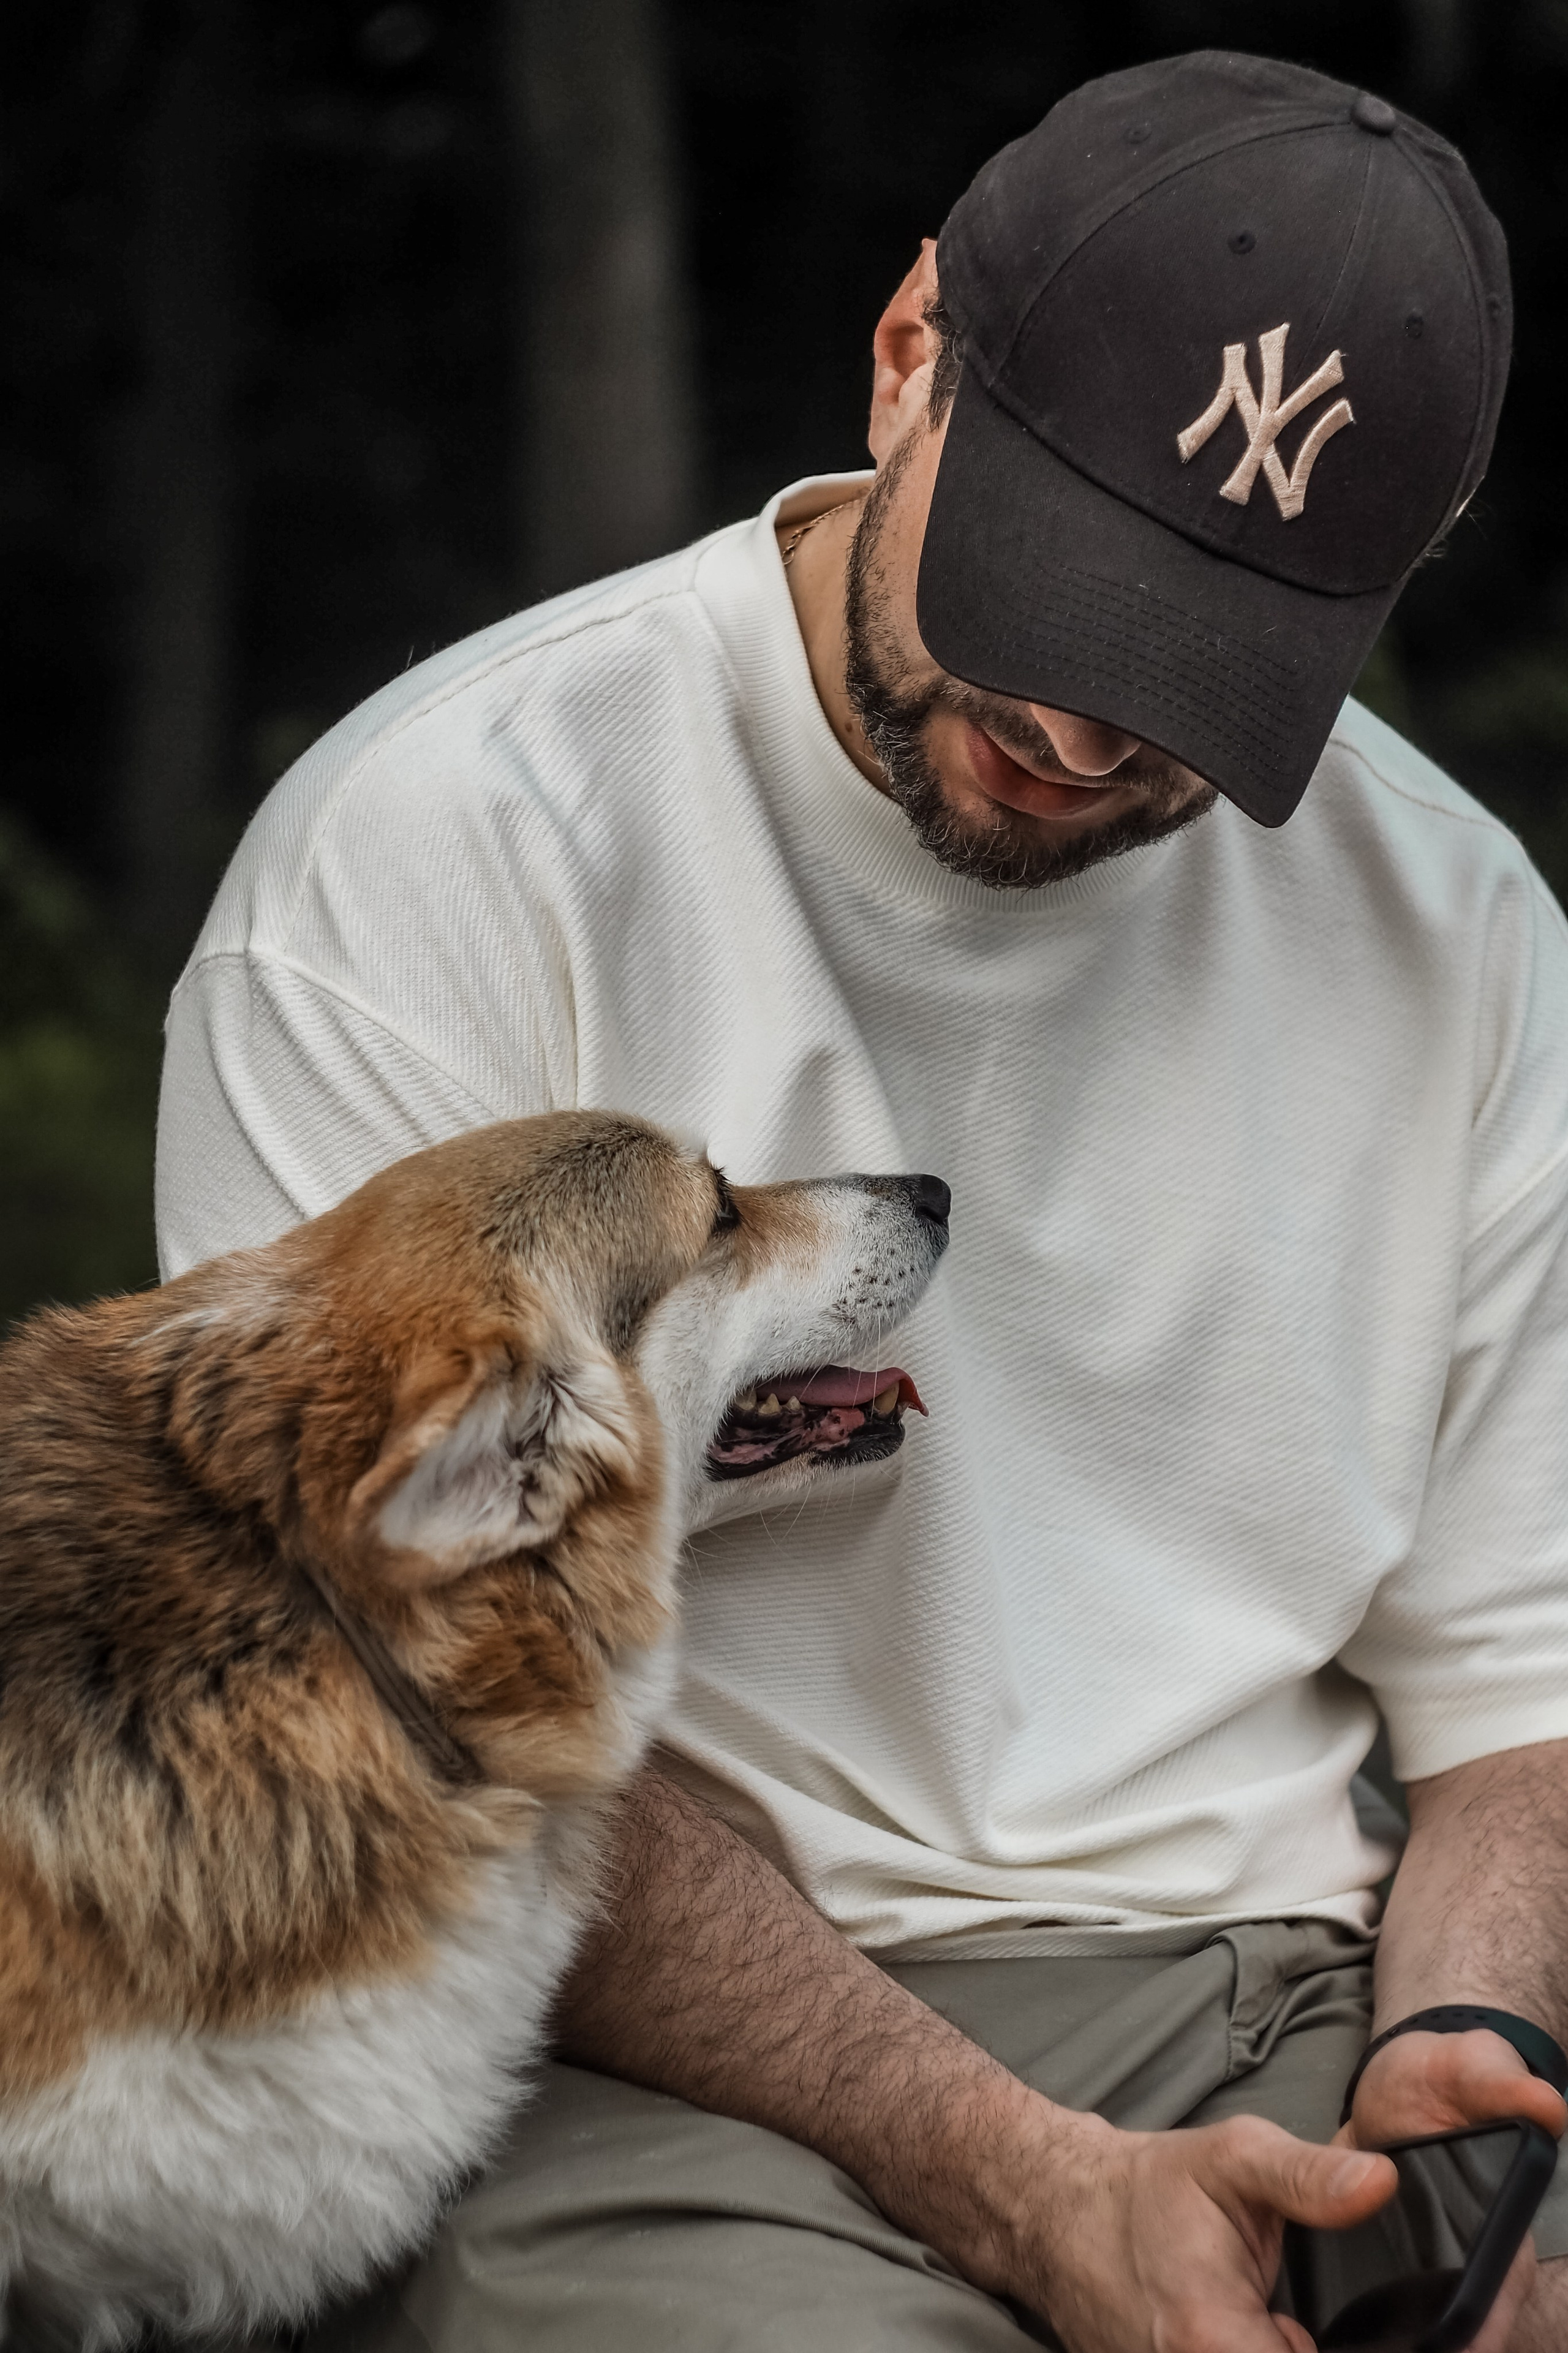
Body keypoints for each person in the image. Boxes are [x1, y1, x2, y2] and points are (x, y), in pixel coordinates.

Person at [156, 50, 1568, 2353]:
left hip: (1286, 1995)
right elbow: (410, 1730)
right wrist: (1033, 2190)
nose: (1094, 739)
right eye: (1057, 596)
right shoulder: (435, 862)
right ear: (912, 355)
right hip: (667, 2038)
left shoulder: (1463, 932)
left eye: (1193, 673)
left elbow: (1524, 1703)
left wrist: (1479, 2092)